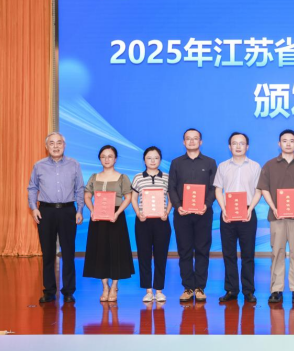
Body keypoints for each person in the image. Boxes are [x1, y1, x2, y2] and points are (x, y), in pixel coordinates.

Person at [257, 129, 294, 304]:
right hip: (277, 217)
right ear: (279, 144)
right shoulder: (269, 165)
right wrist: (273, 207)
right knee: (277, 253)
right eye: (284, 140)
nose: (288, 144)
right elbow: (264, 188)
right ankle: (276, 289)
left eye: (291, 141)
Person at [27, 132, 85, 303]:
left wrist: (80, 210)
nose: (55, 146)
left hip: (68, 211)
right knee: (48, 253)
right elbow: (32, 188)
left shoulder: (74, 164)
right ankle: (49, 291)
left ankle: (68, 291)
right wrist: (33, 208)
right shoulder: (39, 165)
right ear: (47, 147)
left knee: (68, 252)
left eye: (59, 143)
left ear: (64, 145)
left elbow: (79, 189)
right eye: (51, 143)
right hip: (46, 211)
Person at [168, 128, 217, 302]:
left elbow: (214, 188)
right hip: (182, 213)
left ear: (200, 142)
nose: (191, 141)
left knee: (203, 250)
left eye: (195, 138)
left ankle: (200, 287)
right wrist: (178, 206)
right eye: (188, 138)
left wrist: (206, 204)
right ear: (183, 142)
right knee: (185, 250)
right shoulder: (176, 163)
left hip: (204, 212)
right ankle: (188, 287)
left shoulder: (210, 162)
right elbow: (171, 187)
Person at [214, 132, 262, 303]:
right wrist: (223, 209)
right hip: (227, 213)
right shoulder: (223, 166)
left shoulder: (255, 166)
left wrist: (251, 208)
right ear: (229, 147)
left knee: (248, 254)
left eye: (242, 143)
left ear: (247, 146)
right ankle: (231, 290)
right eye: (235, 143)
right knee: (229, 253)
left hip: (247, 212)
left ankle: (248, 290)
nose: (238, 146)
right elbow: (218, 189)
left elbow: (258, 191)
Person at [83, 145, 135, 302]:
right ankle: (105, 286)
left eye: (110, 156)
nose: (106, 159)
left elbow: (128, 197)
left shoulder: (122, 177)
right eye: (103, 156)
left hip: (116, 217)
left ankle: (114, 286)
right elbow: (87, 196)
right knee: (101, 251)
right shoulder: (94, 177)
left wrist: (117, 213)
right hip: (98, 218)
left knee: (116, 251)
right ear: (100, 159)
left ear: (115, 159)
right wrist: (92, 210)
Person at [131, 146, 172, 303]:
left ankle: (159, 290)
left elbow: (171, 198)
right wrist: (138, 213)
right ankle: (148, 290)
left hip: (162, 221)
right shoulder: (138, 178)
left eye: (156, 158)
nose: (152, 161)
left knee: (161, 255)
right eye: (149, 158)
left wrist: (166, 212)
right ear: (144, 160)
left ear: (160, 160)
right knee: (144, 255)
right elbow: (134, 198)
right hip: (143, 221)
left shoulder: (167, 177)